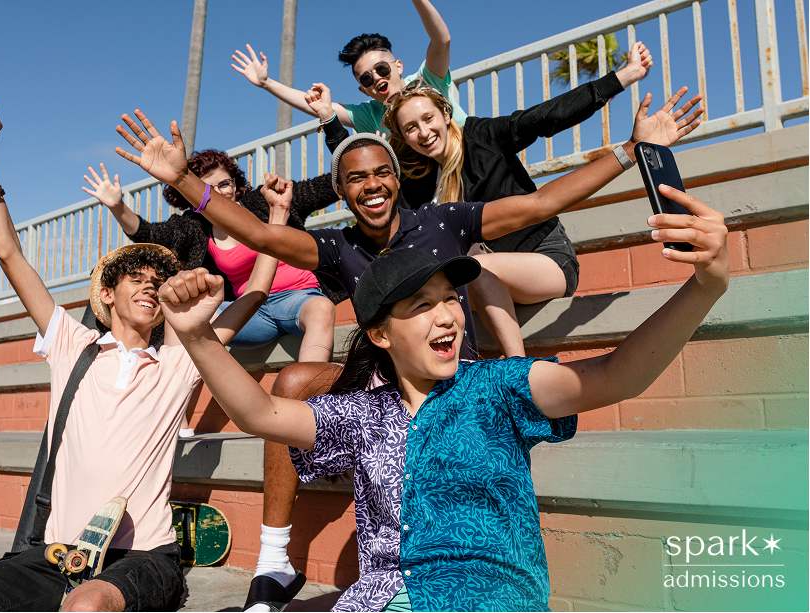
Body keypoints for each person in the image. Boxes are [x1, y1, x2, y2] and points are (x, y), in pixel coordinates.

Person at [113, 88, 700, 610]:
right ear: (341, 191)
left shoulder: (443, 222)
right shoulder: (338, 244)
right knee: (290, 386)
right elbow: (263, 235)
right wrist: (181, 181)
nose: (371, 186)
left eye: (380, 173)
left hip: (451, 381)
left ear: (398, 175)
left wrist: (629, 151)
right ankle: (273, 558)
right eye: (356, 179)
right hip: (375, 386)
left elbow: (540, 207)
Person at [0, 105, 279, 613]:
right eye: (136, 277)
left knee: (85, 606)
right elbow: (9, 254)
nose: (150, 282)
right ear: (106, 294)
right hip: (57, 555)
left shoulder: (179, 358)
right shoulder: (71, 345)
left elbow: (256, 291)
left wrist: (274, 220)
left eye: (157, 279)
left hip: (144, 557)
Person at [307, 42, 655, 356]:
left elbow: (548, 116)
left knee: (473, 268)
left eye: (428, 119)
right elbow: (360, 172)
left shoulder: (483, 136)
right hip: (484, 279)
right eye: (411, 128)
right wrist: (329, 120)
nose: (424, 133)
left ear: (445, 114)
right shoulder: (419, 180)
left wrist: (622, 77)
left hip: (542, 258)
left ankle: (516, 366)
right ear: (404, 138)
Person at [83, 153, 338, 436]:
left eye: (225, 183)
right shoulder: (196, 225)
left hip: (299, 298)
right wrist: (118, 206)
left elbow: (326, 186)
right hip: (251, 313)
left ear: (235, 183)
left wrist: (343, 137)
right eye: (208, 188)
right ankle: (173, 414)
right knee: (182, 319)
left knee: (322, 309)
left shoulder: (261, 203)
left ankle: (311, 406)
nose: (219, 192)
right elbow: (148, 232)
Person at [232, 0, 466, 134]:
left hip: (474, 168)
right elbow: (317, 106)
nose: (376, 78)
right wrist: (266, 83)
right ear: (363, 90)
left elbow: (442, 41)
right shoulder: (371, 114)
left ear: (399, 66)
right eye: (366, 79)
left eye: (382, 69)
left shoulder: (426, 82)